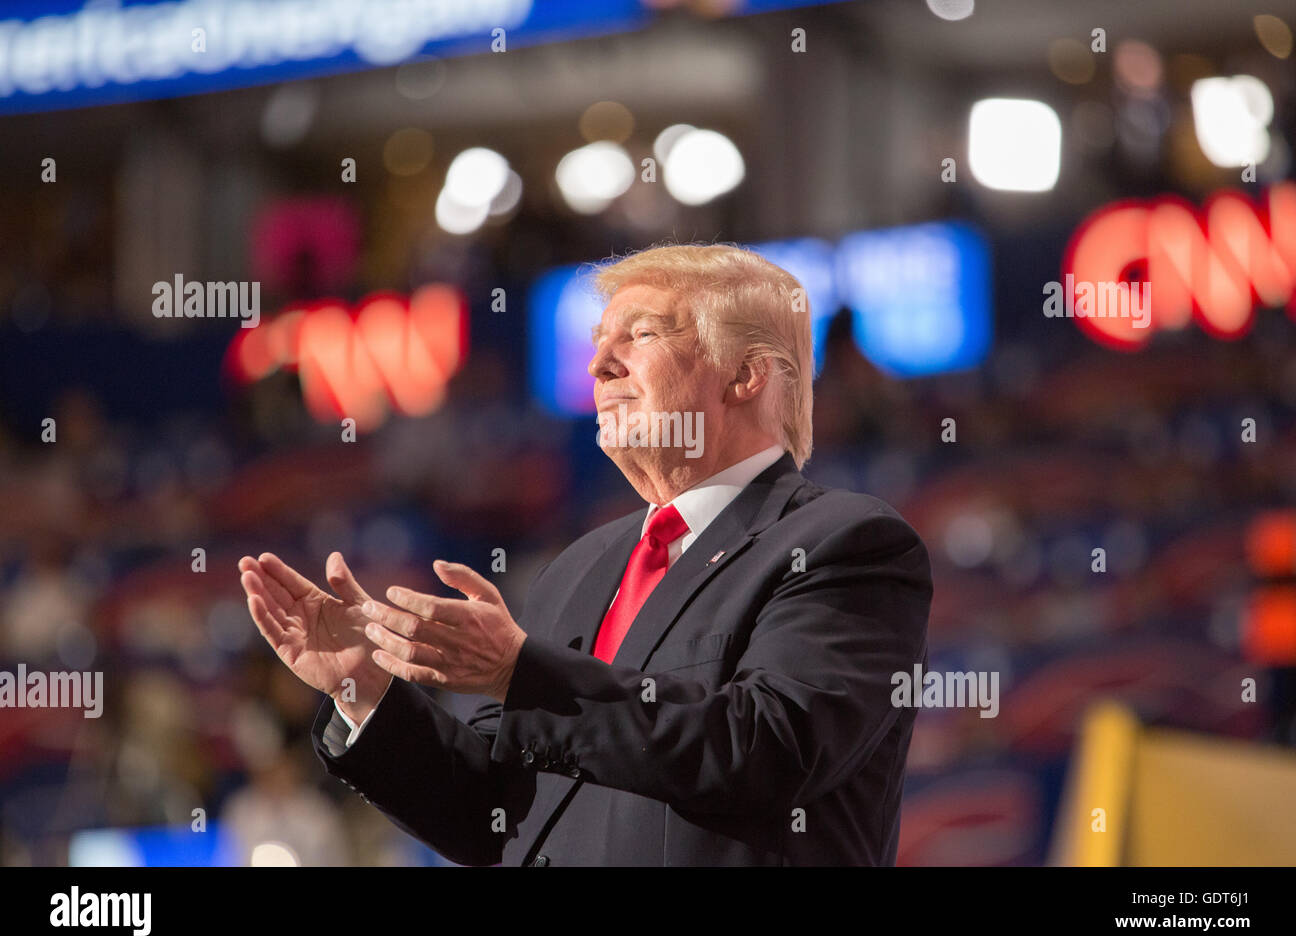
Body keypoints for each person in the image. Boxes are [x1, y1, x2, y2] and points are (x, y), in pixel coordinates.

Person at [238, 243, 933, 865]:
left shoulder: (845, 545)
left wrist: (522, 675)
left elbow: (768, 753)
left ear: (746, 375)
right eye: (599, 340)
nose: (598, 363)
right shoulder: (578, 569)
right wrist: (364, 690)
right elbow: (490, 816)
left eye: (641, 335)